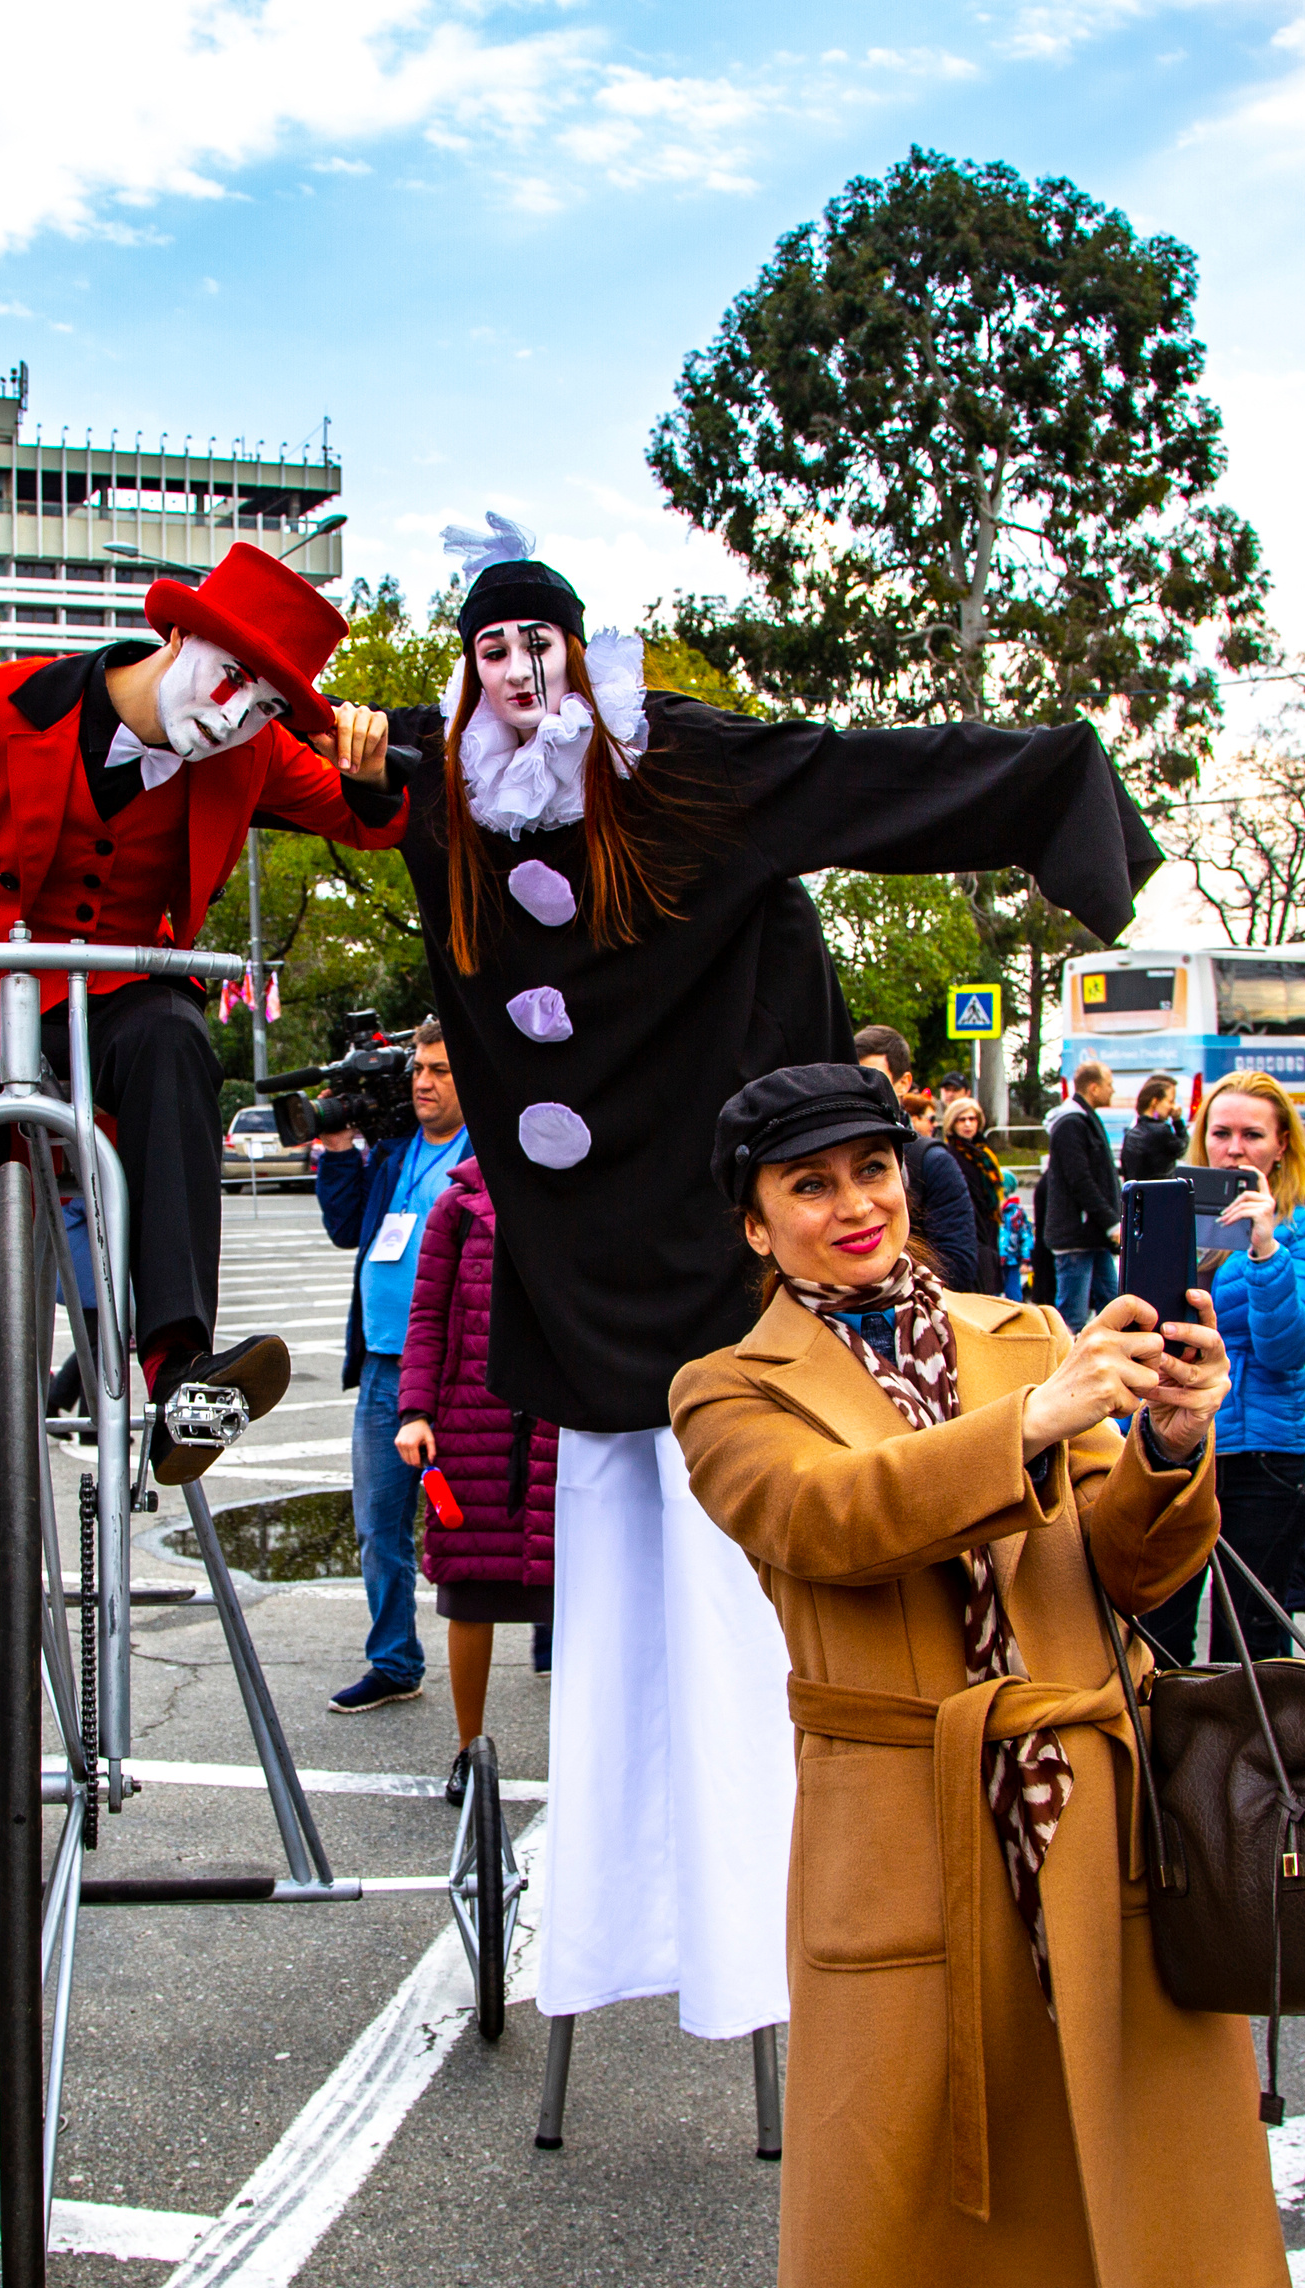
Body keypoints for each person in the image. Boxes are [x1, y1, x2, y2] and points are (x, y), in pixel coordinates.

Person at [355, 511, 1160, 2050]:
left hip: (710, 1267)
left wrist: (1060, 793)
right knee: (615, 1643)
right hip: (583, 1281)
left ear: (585, 656)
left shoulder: (681, 770)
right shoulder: (441, 791)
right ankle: (620, 1929)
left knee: (750, 1620)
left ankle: (762, 1938)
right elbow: (263, 757)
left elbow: (862, 774)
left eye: (542, 649)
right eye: (488, 657)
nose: (518, 680)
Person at [669, 1064, 1289, 2288]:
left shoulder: (1026, 1337)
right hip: (898, 1823)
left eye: (870, 1172)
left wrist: (1169, 1445)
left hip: (1078, 1819)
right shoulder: (727, 1389)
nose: (855, 1207)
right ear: (757, 1227)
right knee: (863, 2209)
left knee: (1069, 2185)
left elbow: (1128, 1570)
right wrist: (1033, 1430)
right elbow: (831, 1523)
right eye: (808, 1188)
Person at [0, 545, 411, 1623]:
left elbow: (375, 818)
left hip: (117, 992)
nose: (234, 719)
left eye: (266, 706)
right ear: (176, 639)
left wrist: (368, 761)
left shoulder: (250, 755)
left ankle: (180, 1380)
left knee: (177, 1039)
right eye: (229, 682)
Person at [1143, 1071, 1305, 1667]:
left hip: (1258, 1457)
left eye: (1252, 1134)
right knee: (1159, 1633)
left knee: (1248, 1649)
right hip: (1176, 1445)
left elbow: (1287, 1349)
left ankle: (1250, 1763)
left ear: (1282, 1145)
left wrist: (1264, 1249)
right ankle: (1167, 1758)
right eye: (1221, 1132)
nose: (1234, 1149)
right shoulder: (1183, 1217)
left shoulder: (1304, 1229)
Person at [314, 1023, 471, 1712]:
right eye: (419, 1070)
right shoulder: (396, 1154)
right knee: (380, 1527)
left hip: (461, 1367)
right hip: (384, 1366)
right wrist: (339, 1146)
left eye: (440, 1070)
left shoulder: (483, 1158)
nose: (424, 1082)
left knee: (486, 1516)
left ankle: (551, 1631)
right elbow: (348, 1227)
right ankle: (394, 1660)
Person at [395, 1154, 557, 1802]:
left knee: (579, 1597)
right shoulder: (457, 1206)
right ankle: (468, 1750)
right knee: (469, 1593)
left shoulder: (580, 1184)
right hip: (472, 1419)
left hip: (562, 1423)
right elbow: (428, 1315)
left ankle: (589, 1754)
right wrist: (415, 1411)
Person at [854, 1026, 978, 1288]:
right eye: (853, 1076)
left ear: (904, 1083)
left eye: (872, 1077)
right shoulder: (832, 1153)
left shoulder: (931, 1160)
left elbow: (957, 1265)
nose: (860, 1088)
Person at [1042, 1058, 1121, 1332]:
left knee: (1114, 1309)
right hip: (1078, 1236)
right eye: (1109, 1085)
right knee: (1072, 1319)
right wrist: (1111, 1221)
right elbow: (1080, 1180)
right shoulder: (1072, 1124)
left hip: (1092, 1236)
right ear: (1094, 1088)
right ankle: (1062, 1369)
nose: (1113, 1090)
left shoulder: (1083, 1120)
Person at [941, 1095, 1007, 1294]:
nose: (968, 1124)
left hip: (989, 1227)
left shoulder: (984, 1154)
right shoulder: (950, 1155)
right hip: (969, 1232)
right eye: (962, 1120)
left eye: (972, 1119)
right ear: (952, 1123)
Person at [1117, 1072, 1187, 1183]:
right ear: (1155, 1102)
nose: (1173, 1107)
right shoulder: (1161, 1131)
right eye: (1170, 1101)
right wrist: (1177, 1120)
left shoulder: (1131, 1133)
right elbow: (1183, 1149)